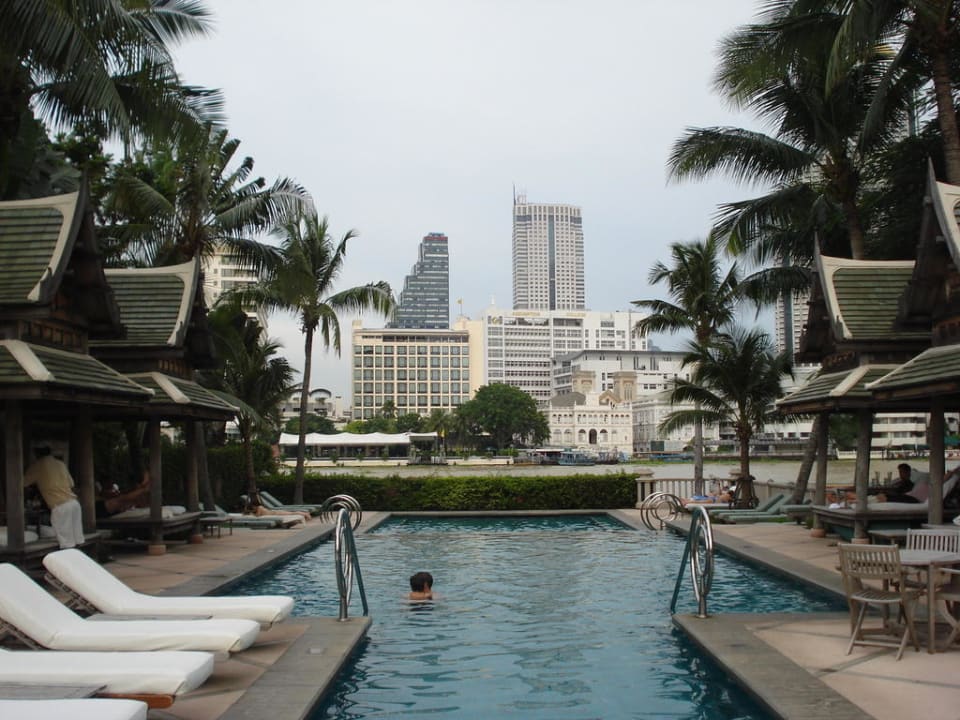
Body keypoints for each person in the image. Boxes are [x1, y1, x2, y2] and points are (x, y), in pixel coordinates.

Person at [23, 444, 84, 549]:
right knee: (77, 540)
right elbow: (71, 483)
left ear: (37, 454)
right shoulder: (60, 464)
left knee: (66, 543)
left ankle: (68, 562)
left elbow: (23, 483)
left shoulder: (38, 466)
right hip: (74, 504)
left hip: (61, 506)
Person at [244, 493, 309, 523]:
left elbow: (257, 517)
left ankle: (305, 514)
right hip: (274, 513)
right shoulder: (258, 507)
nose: (253, 508)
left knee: (291, 514)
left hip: (275, 513)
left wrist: (250, 513)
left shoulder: (259, 508)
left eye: (253, 507)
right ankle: (305, 514)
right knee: (291, 513)